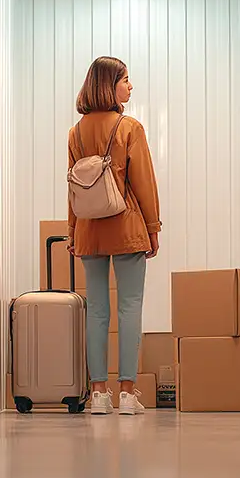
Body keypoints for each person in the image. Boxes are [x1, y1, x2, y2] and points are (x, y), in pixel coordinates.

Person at [67, 56, 161, 416]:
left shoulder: (76, 133)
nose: (130, 85)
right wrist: (153, 228)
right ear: (110, 85)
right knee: (130, 306)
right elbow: (144, 185)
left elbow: (73, 187)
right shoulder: (129, 127)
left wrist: (73, 230)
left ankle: (98, 393)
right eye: (125, 79)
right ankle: (127, 392)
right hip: (126, 226)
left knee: (97, 312)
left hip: (90, 228)